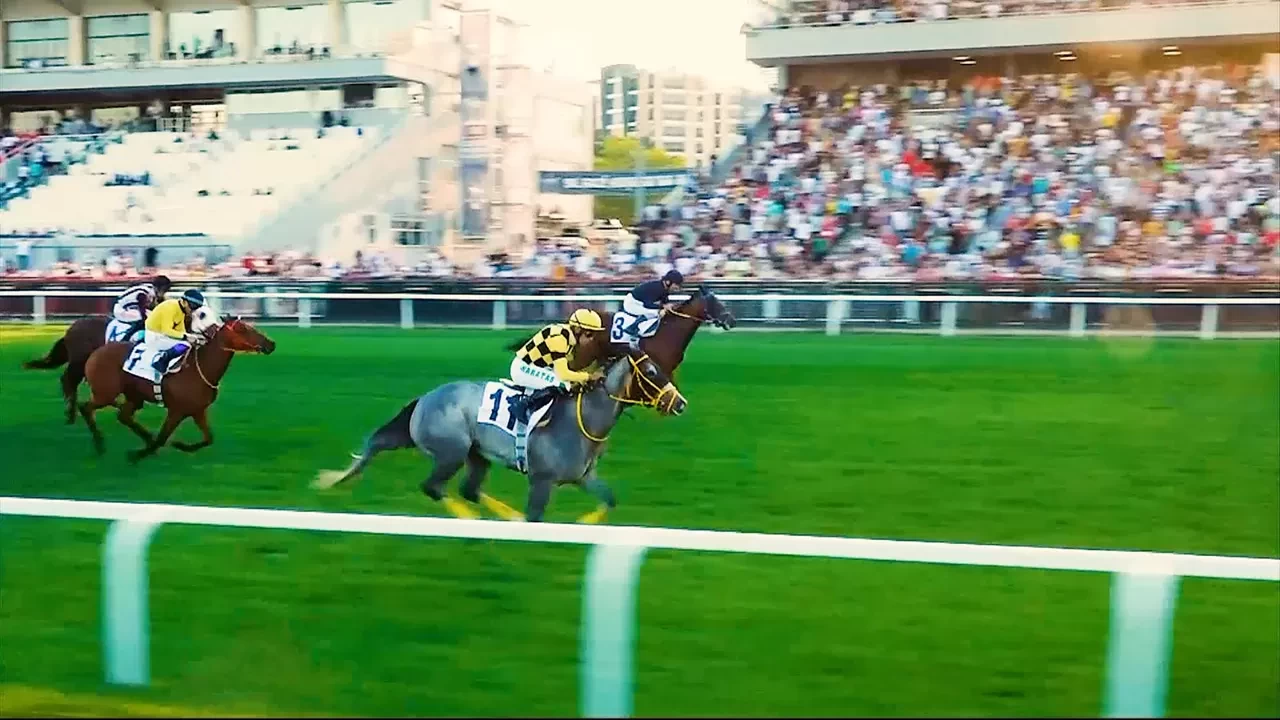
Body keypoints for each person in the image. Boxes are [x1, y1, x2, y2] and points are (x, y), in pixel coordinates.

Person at [507, 309, 605, 422]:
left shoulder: (568, 338)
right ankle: (522, 406)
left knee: (568, 384)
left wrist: (581, 379)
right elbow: (563, 374)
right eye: (589, 334)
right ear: (577, 330)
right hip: (523, 369)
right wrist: (588, 377)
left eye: (594, 335)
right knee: (562, 385)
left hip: (535, 367)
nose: (591, 339)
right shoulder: (559, 338)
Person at [611, 269, 683, 349]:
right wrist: (663, 306)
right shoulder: (657, 288)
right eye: (677, 285)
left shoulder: (664, 289)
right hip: (632, 303)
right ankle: (632, 329)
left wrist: (668, 306)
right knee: (654, 313)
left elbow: (665, 303)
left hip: (639, 302)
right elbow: (647, 304)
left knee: (659, 312)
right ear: (668, 282)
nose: (678, 288)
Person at [142, 288, 206, 375]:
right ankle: (160, 362)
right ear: (184, 302)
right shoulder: (170, 307)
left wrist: (192, 338)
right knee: (185, 345)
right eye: (193, 307)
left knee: (188, 343)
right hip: (154, 336)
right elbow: (166, 330)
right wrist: (186, 337)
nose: (193, 310)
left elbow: (180, 331)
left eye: (196, 308)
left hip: (161, 336)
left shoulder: (181, 311)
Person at [107, 275, 171, 343]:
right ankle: (126, 338)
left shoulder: (152, 291)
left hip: (132, 308)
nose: (164, 293)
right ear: (158, 288)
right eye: (164, 291)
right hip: (120, 310)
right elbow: (142, 311)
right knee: (143, 317)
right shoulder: (144, 293)